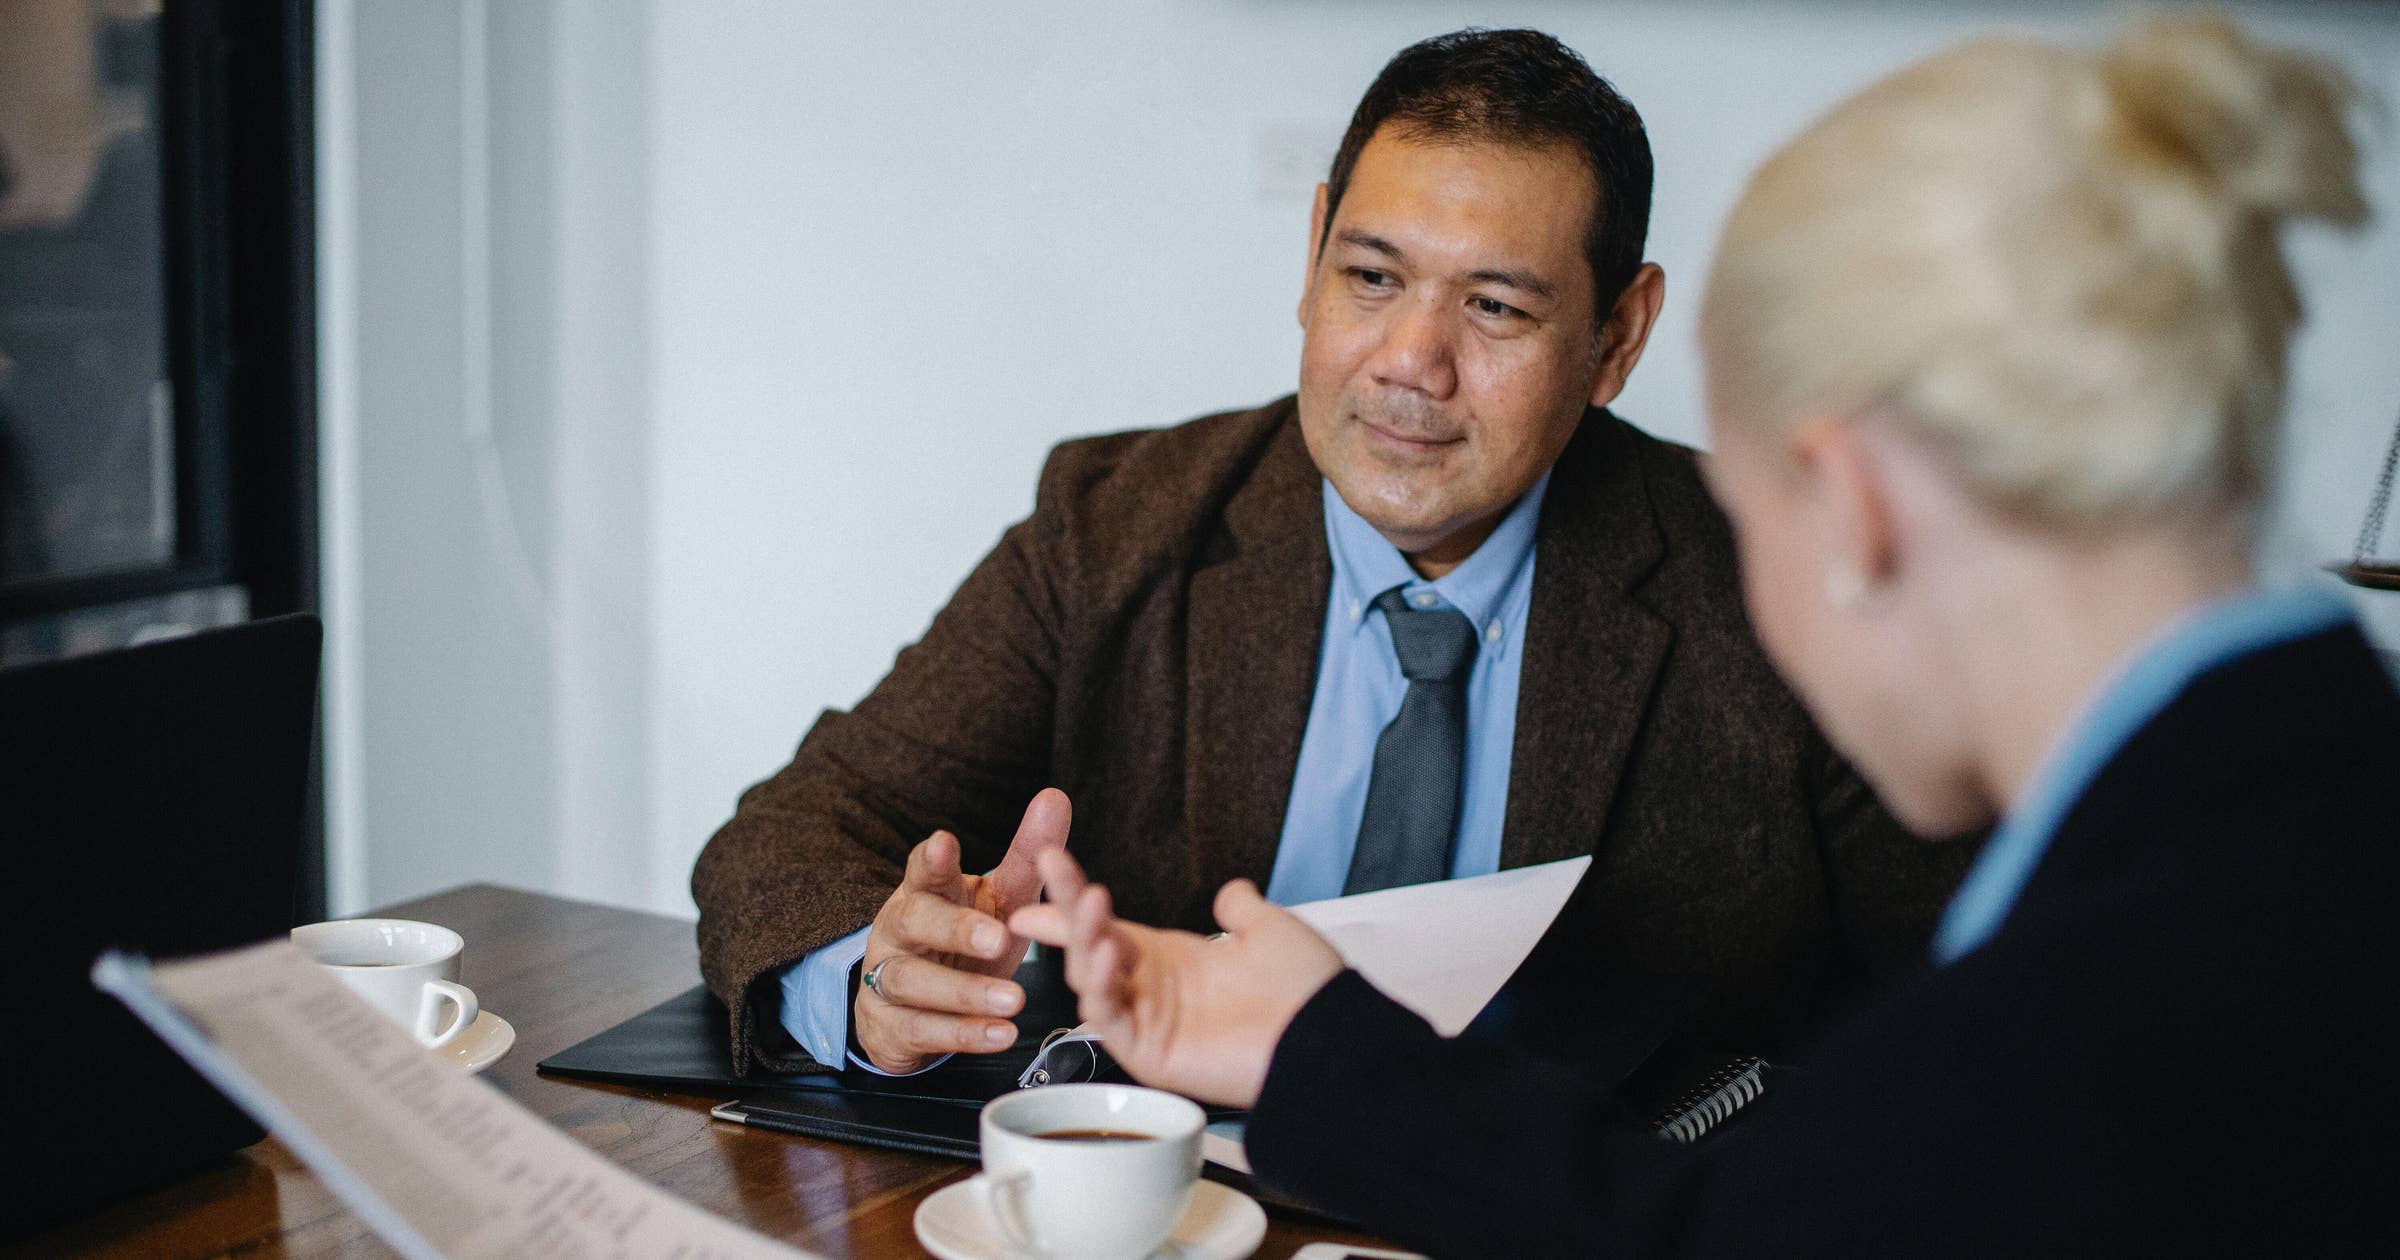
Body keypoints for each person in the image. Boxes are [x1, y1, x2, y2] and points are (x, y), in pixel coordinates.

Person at [1013, 14, 2399, 1255]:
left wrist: (1327, 1064)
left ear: (1849, 508)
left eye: (1745, 506)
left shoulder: (2054, 1023)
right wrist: (1319, 1052)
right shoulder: (2306, 827)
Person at [692, 28, 1973, 1080]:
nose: (1410, 364)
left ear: (1618, 337)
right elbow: (789, 834)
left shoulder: (1779, 580)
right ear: (1311, 259)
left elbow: (1991, 1000)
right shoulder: (1114, 523)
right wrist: (876, 983)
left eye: (1495, 306)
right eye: (1371, 278)